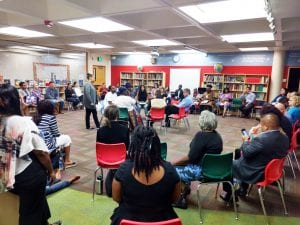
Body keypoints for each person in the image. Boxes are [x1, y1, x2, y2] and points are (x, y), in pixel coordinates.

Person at [0, 84, 61, 225]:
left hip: (6, 175)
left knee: (38, 200)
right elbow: (41, 153)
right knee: (30, 211)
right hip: (24, 177)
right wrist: (51, 172)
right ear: (15, 100)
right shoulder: (25, 123)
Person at [110, 126, 181, 225]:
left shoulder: (123, 170)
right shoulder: (170, 170)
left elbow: (116, 197)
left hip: (127, 220)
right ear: (157, 145)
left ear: (133, 145)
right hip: (164, 220)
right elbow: (175, 198)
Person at [221, 114, 289, 202]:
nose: (260, 127)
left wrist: (245, 140)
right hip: (271, 171)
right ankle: (242, 188)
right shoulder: (285, 137)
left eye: (261, 125)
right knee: (238, 152)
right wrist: (255, 136)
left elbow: (246, 153)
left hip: (256, 172)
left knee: (226, 163)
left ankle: (230, 195)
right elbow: (264, 148)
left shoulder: (262, 139)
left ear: (266, 127)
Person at [172, 110, 223, 209]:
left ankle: (181, 199)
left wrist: (172, 163)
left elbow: (190, 158)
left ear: (202, 122)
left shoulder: (201, 136)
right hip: (213, 169)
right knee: (182, 165)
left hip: (202, 171)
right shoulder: (217, 136)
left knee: (172, 169)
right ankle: (185, 188)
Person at [33, 100, 77, 179]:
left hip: (37, 144)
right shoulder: (50, 117)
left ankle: (61, 159)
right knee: (67, 138)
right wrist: (60, 135)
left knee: (62, 138)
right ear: (50, 108)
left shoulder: (34, 117)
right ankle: (67, 160)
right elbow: (56, 133)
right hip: (48, 145)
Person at [96, 105, 130, 197]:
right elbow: (127, 148)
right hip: (121, 160)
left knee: (113, 169)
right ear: (117, 115)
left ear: (106, 116)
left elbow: (98, 146)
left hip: (104, 160)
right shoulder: (125, 130)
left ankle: (112, 178)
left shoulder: (100, 131)